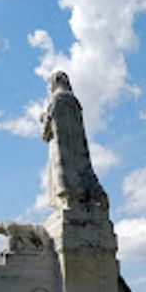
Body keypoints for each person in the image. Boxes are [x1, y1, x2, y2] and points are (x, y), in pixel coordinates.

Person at [40, 71, 107, 210]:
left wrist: (43, 119)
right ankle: (95, 193)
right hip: (78, 147)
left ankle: (68, 198)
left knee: (61, 168)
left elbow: (48, 130)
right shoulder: (75, 102)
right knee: (83, 168)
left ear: (55, 82)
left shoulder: (55, 99)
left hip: (61, 145)